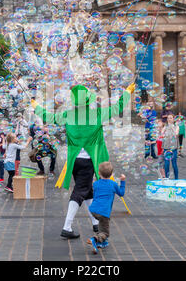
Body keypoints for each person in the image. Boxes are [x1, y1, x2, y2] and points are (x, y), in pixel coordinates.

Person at [32, 83, 134, 239]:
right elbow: (116, 108)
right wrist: (127, 92)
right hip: (88, 161)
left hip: (74, 161)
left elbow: (49, 117)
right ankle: (67, 227)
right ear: (88, 100)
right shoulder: (97, 114)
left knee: (88, 191)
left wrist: (36, 106)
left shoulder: (67, 114)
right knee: (80, 192)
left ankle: (94, 223)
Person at [87, 162, 126, 254]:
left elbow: (95, 194)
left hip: (93, 210)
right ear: (111, 174)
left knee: (101, 226)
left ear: (99, 173)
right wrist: (123, 181)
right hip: (104, 212)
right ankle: (95, 239)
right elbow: (121, 193)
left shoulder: (96, 184)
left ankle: (101, 243)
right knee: (106, 233)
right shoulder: (113, 184)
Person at [161, 114, 179, 179]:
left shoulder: (176, 127)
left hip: (173, 147)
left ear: (173, 119)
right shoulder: (165, 127)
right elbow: (162, 133)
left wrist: (171, 127)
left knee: (174, 164)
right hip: (166, 147)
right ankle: (167, 178)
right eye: (168, 118)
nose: (169, 119)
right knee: (166, 163)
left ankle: (176, 178)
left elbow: (176, 134)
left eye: (171, 118)